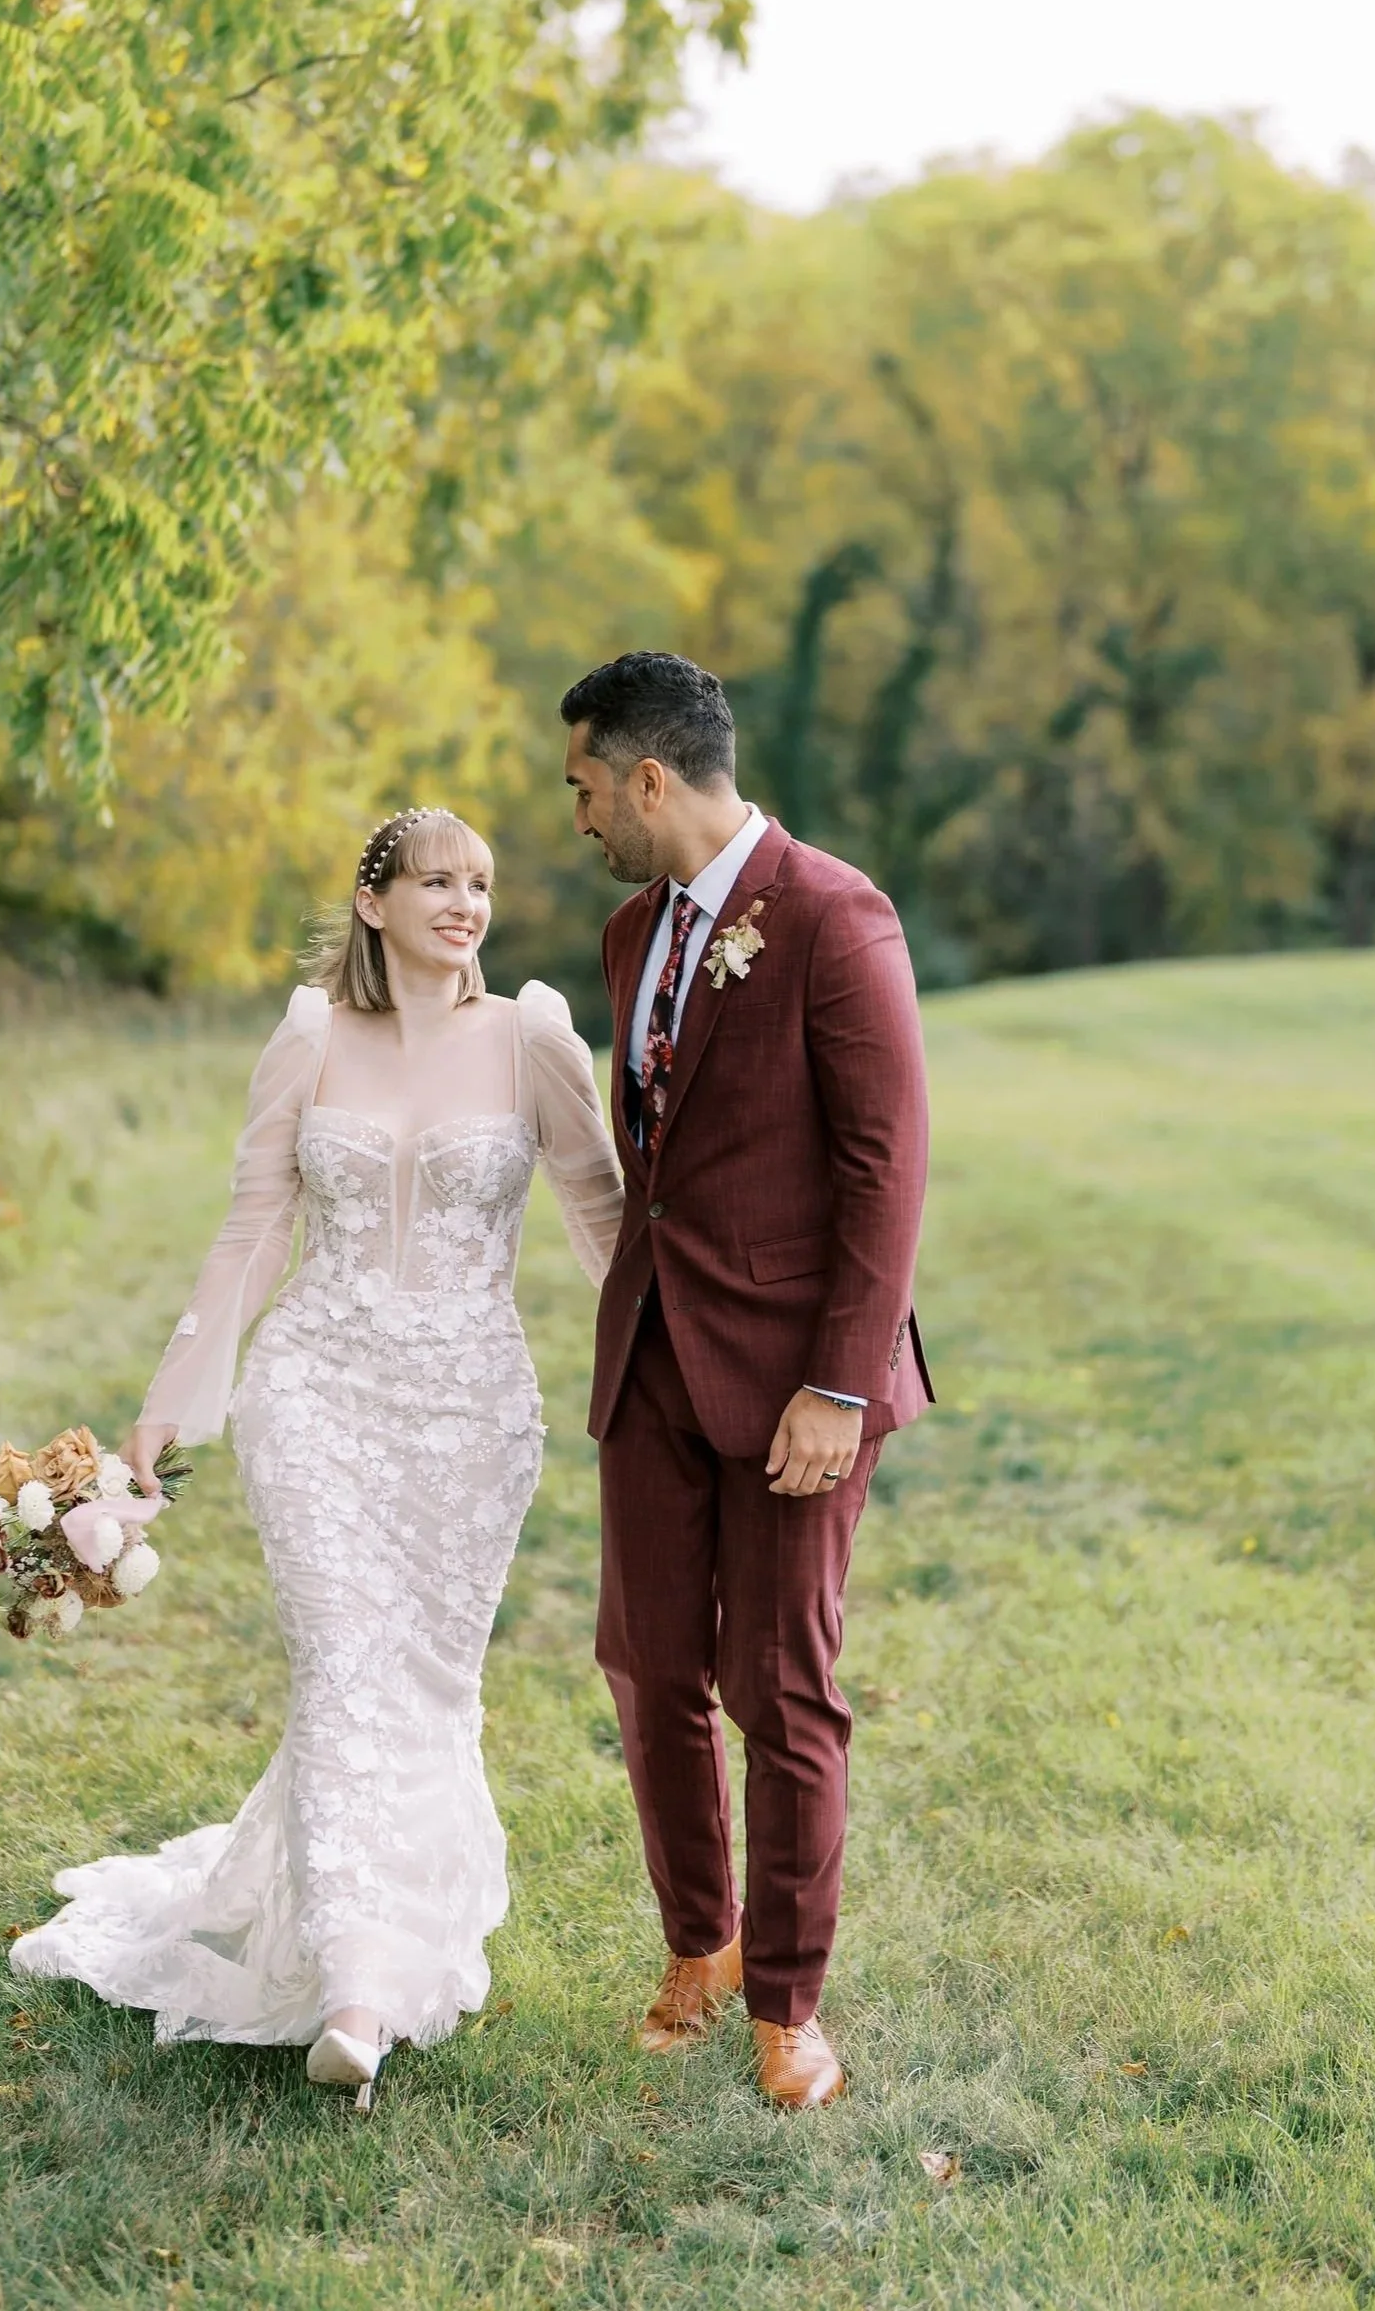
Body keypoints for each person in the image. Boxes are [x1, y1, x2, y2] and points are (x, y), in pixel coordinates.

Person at [10, 808, 623, 2094]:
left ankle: (387, 1939)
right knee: (345, 1660)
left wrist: (668, 1380)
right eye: (438, 881)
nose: (466, 904)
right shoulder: (309, 1037)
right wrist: (175, 1398)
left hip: (471, 1413)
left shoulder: (530, 1038)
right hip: (318, 1394)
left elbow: (599, 1211)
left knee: (426, 1683)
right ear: (373, 901)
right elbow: (252, 1226)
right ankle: (357, 1989)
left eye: (482, 885)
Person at [561, 651, 932, 2111]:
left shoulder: (836, 916)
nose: (577, 816)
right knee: (651, 1673)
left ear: (650, 777)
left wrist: (837, 1389)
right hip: (651, 1362)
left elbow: (883, 1170)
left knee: (782, 1689)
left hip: (797, 1386)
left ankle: (788, 2004)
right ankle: (696, 1950)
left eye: (586, 785)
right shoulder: (622, 937)